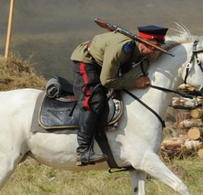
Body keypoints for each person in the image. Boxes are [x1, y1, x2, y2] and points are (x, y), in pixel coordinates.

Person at [70, 24, 168, 166]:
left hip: (105, 62)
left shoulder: (136, 49)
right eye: (155, 49)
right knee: (93, 100)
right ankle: (83, 151)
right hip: (88, 61)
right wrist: (135, 83)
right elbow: (107, 80)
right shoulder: (122, 49)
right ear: (148, 44)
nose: (155, 54)